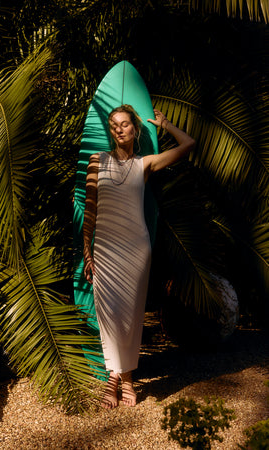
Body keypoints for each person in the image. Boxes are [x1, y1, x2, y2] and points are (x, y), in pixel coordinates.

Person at [83, 105, 195, 409]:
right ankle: (117, 378)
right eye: (114, 125)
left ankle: (124, 378)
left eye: (125, 124)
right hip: (105, 247)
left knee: (131, 315)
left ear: (135, 129)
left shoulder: (144, 164)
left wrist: (166, 124)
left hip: (136, 248)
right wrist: (86, 249)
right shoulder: (97, 161)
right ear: (111, 130)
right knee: (109, 313)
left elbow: (188, 145)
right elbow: (90, 208)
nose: (120, 129)